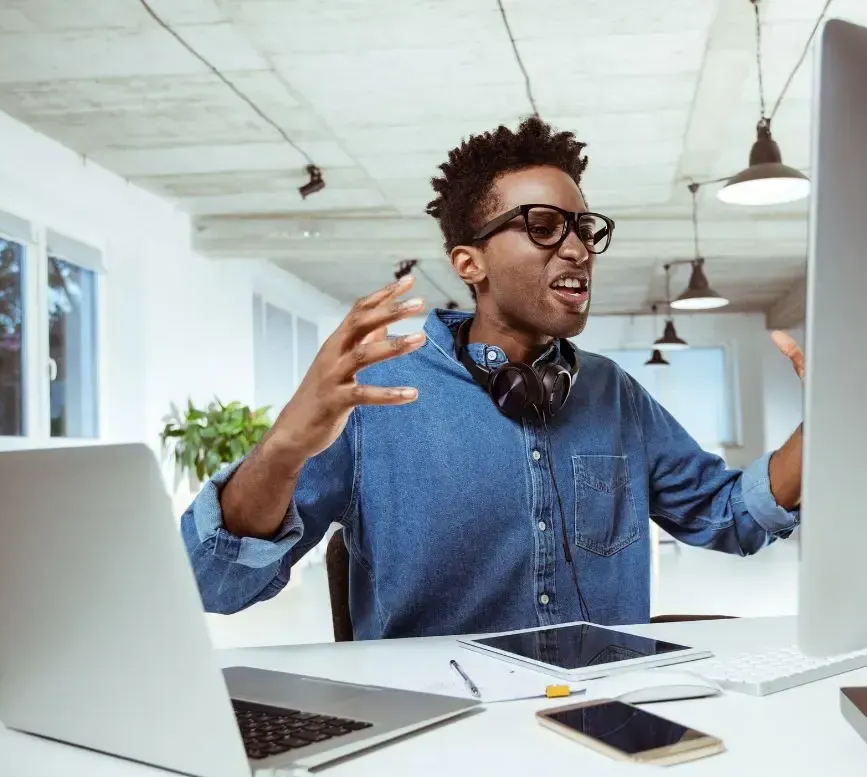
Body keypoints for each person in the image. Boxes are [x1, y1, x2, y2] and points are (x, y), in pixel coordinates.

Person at [181, 116, 806, 640]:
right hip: (439, 731)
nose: (578, 249)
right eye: (542, 226)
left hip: (603, 718)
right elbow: (215, 582)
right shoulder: (378, 393)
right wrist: (284, 447)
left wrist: (828, 421)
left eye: (584, 229)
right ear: (468, 261)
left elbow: (729, 516)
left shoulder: (613, 393)